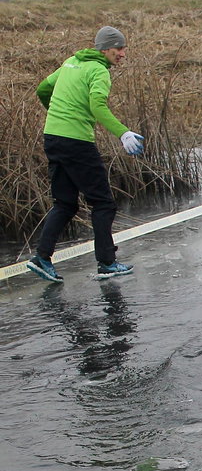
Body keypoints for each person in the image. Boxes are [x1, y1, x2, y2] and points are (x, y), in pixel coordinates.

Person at [26, 26, 144, 283]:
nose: (123, 54)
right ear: (106, 49)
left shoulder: (71, 63)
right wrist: (123, 133)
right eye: (119, 49)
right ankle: (107, 263)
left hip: (53, 138)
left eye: (124, 48)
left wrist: (58, 113)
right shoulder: (99, 70)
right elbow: (97, 106)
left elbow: (43, 89)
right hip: (77, 142)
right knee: (102, 202)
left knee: (65, 203)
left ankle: (42, 259)